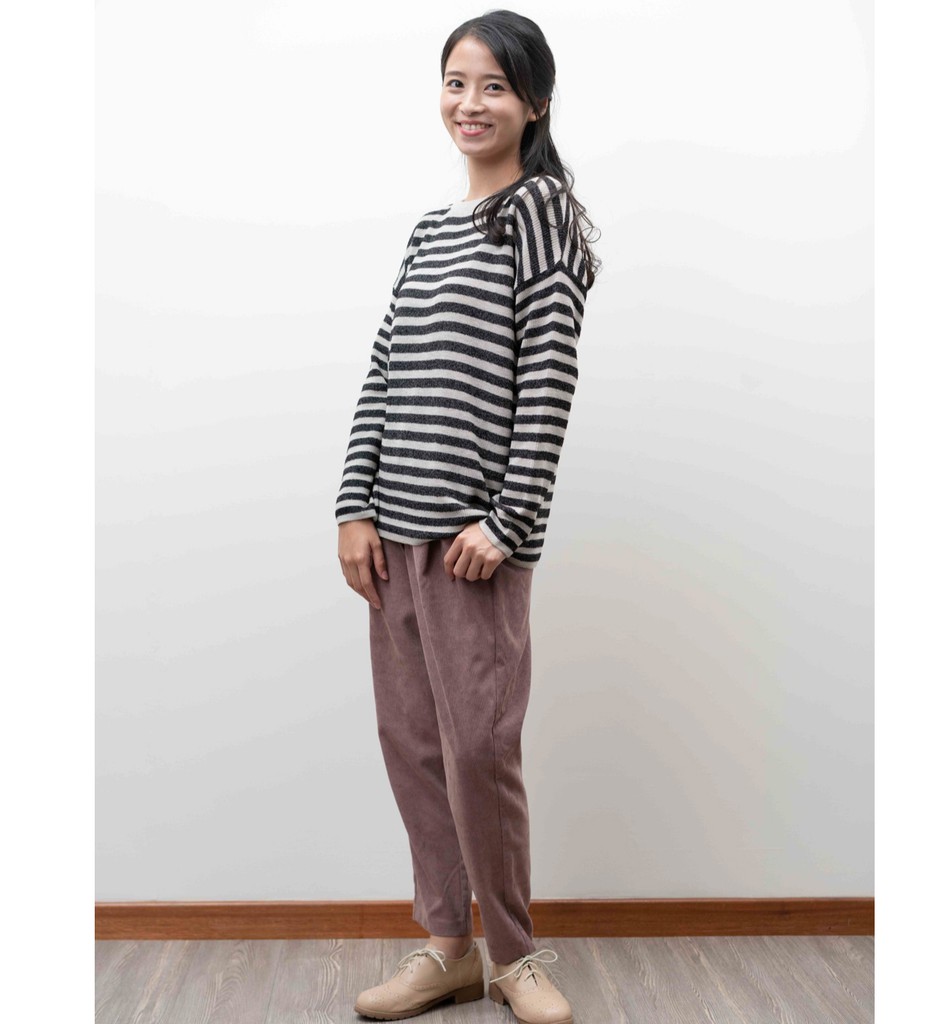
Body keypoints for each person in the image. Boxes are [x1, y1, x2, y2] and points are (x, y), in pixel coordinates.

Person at [335, 11, 600, 1024]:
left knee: (480, 750)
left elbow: (548, 377)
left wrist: (510, 520)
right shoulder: (431, 229)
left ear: (535, 102)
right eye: (455, 82)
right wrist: (353, 505)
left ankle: (517, 957)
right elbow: (384, 369)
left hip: (471, 547)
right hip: (392, 538)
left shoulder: (541, 212)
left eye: (493, 85)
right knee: (411, 743)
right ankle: (446, 948)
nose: (470, 103)